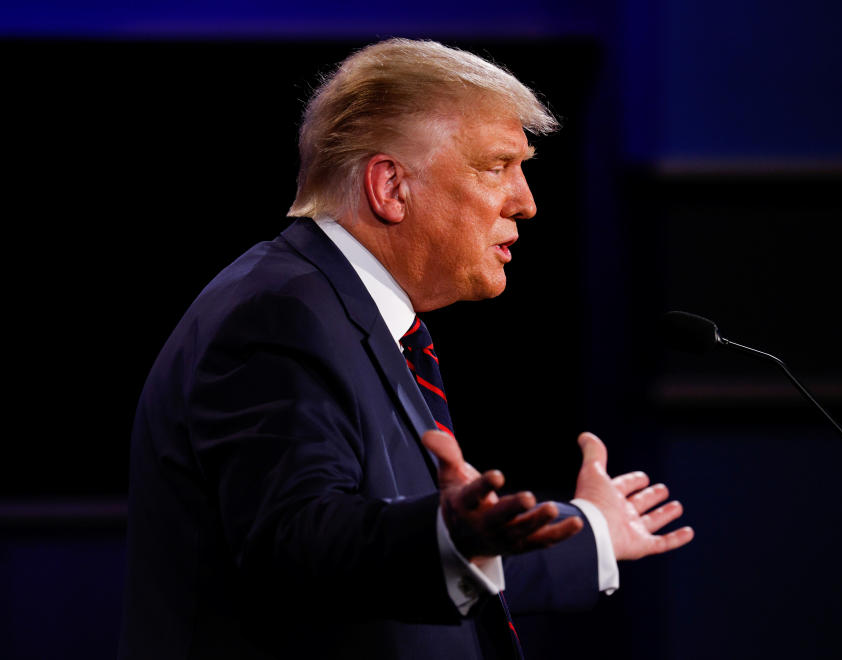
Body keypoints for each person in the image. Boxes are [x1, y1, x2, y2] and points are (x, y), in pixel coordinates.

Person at [119, 38, 693, 660]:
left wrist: (591, 531)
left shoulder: (345, 313)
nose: (526, 202)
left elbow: (397, 562)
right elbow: (296, 543)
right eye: (497, 166)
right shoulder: (279, 315)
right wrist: (444, 534)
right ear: (390, 186)